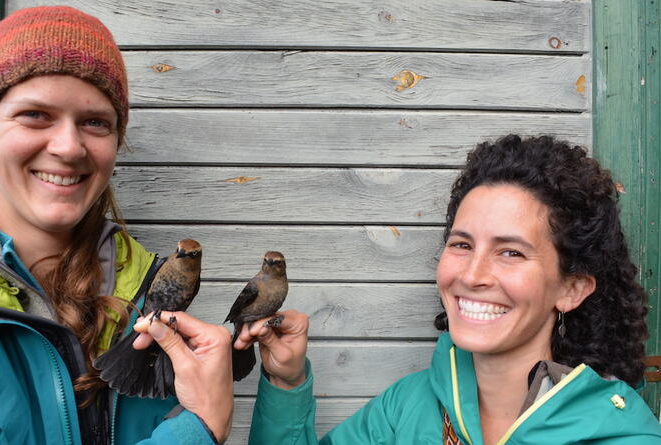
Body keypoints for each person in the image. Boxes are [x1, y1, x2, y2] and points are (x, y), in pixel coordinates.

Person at [0, 6, 232, 444]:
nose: (68, 147)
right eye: (35, 114)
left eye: (94, 122)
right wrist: (196, 430)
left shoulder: (139, 290)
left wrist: (285, 387)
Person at [241, 134, 661, 444]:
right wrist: (285, 383)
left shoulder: (621, 435)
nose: (472, 274)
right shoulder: (402, 409)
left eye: (511, 253)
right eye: (462, 245)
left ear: (571, 288)